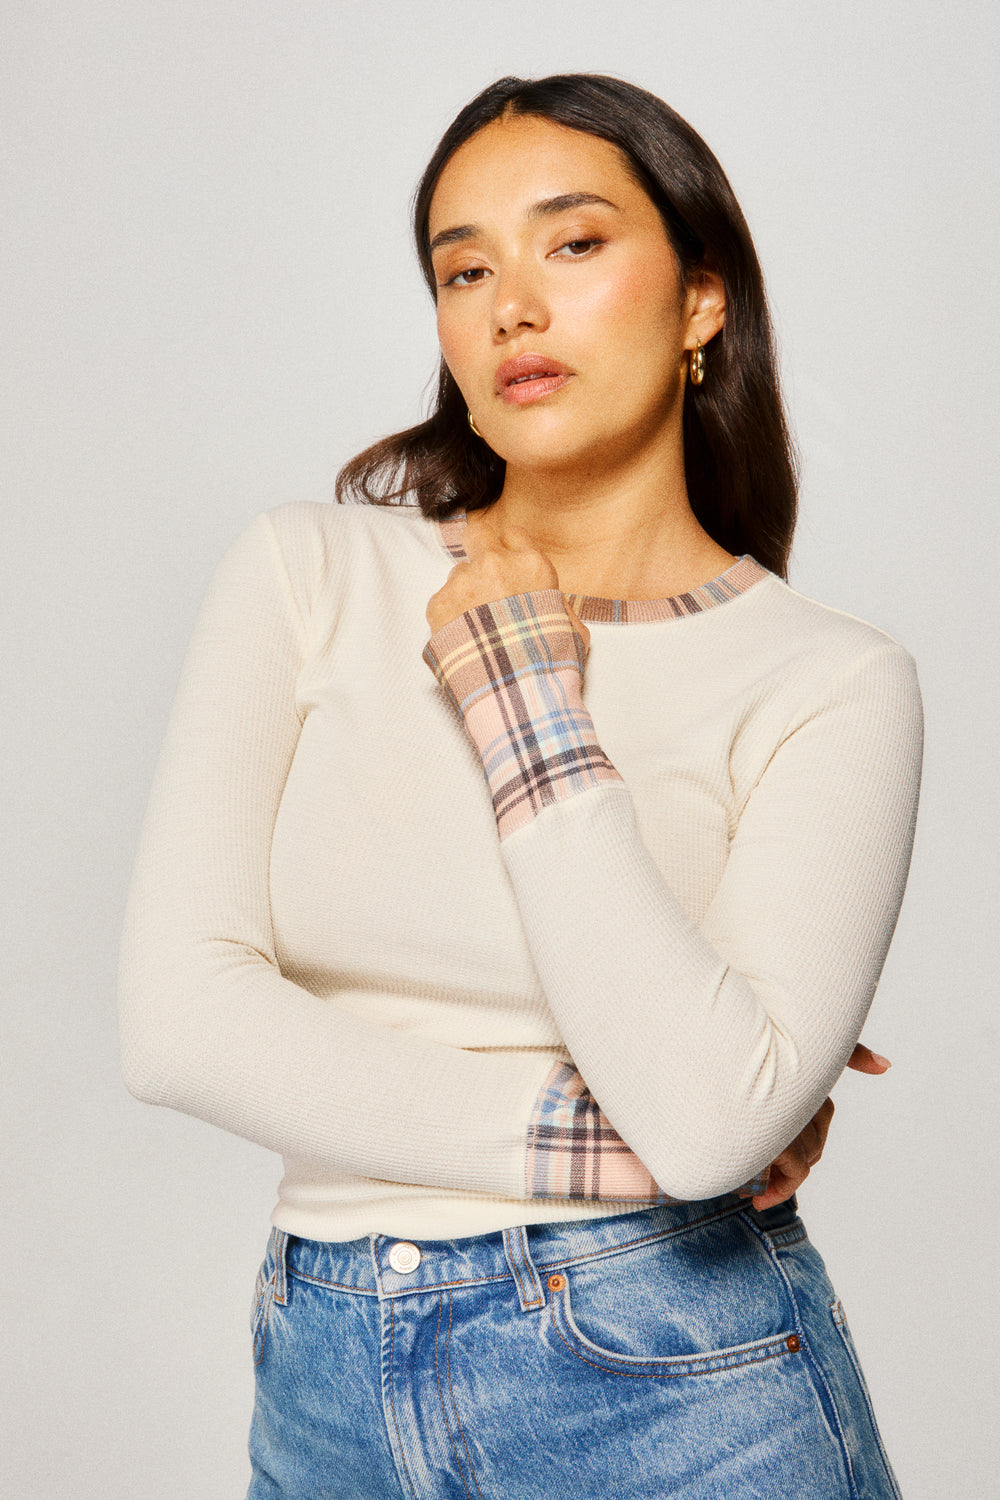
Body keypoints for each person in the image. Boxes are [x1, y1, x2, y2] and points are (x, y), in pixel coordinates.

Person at [118, 73, 921, 1498]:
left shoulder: (828, 680)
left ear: (700, 304)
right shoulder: (314, 572)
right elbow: (180, 1020)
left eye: (574, 243)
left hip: (680, 1376)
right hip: (326, 1372)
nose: (510, 307)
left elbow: (710, 1117)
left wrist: (519, 698)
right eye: (463, 267)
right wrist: (623, 1151)